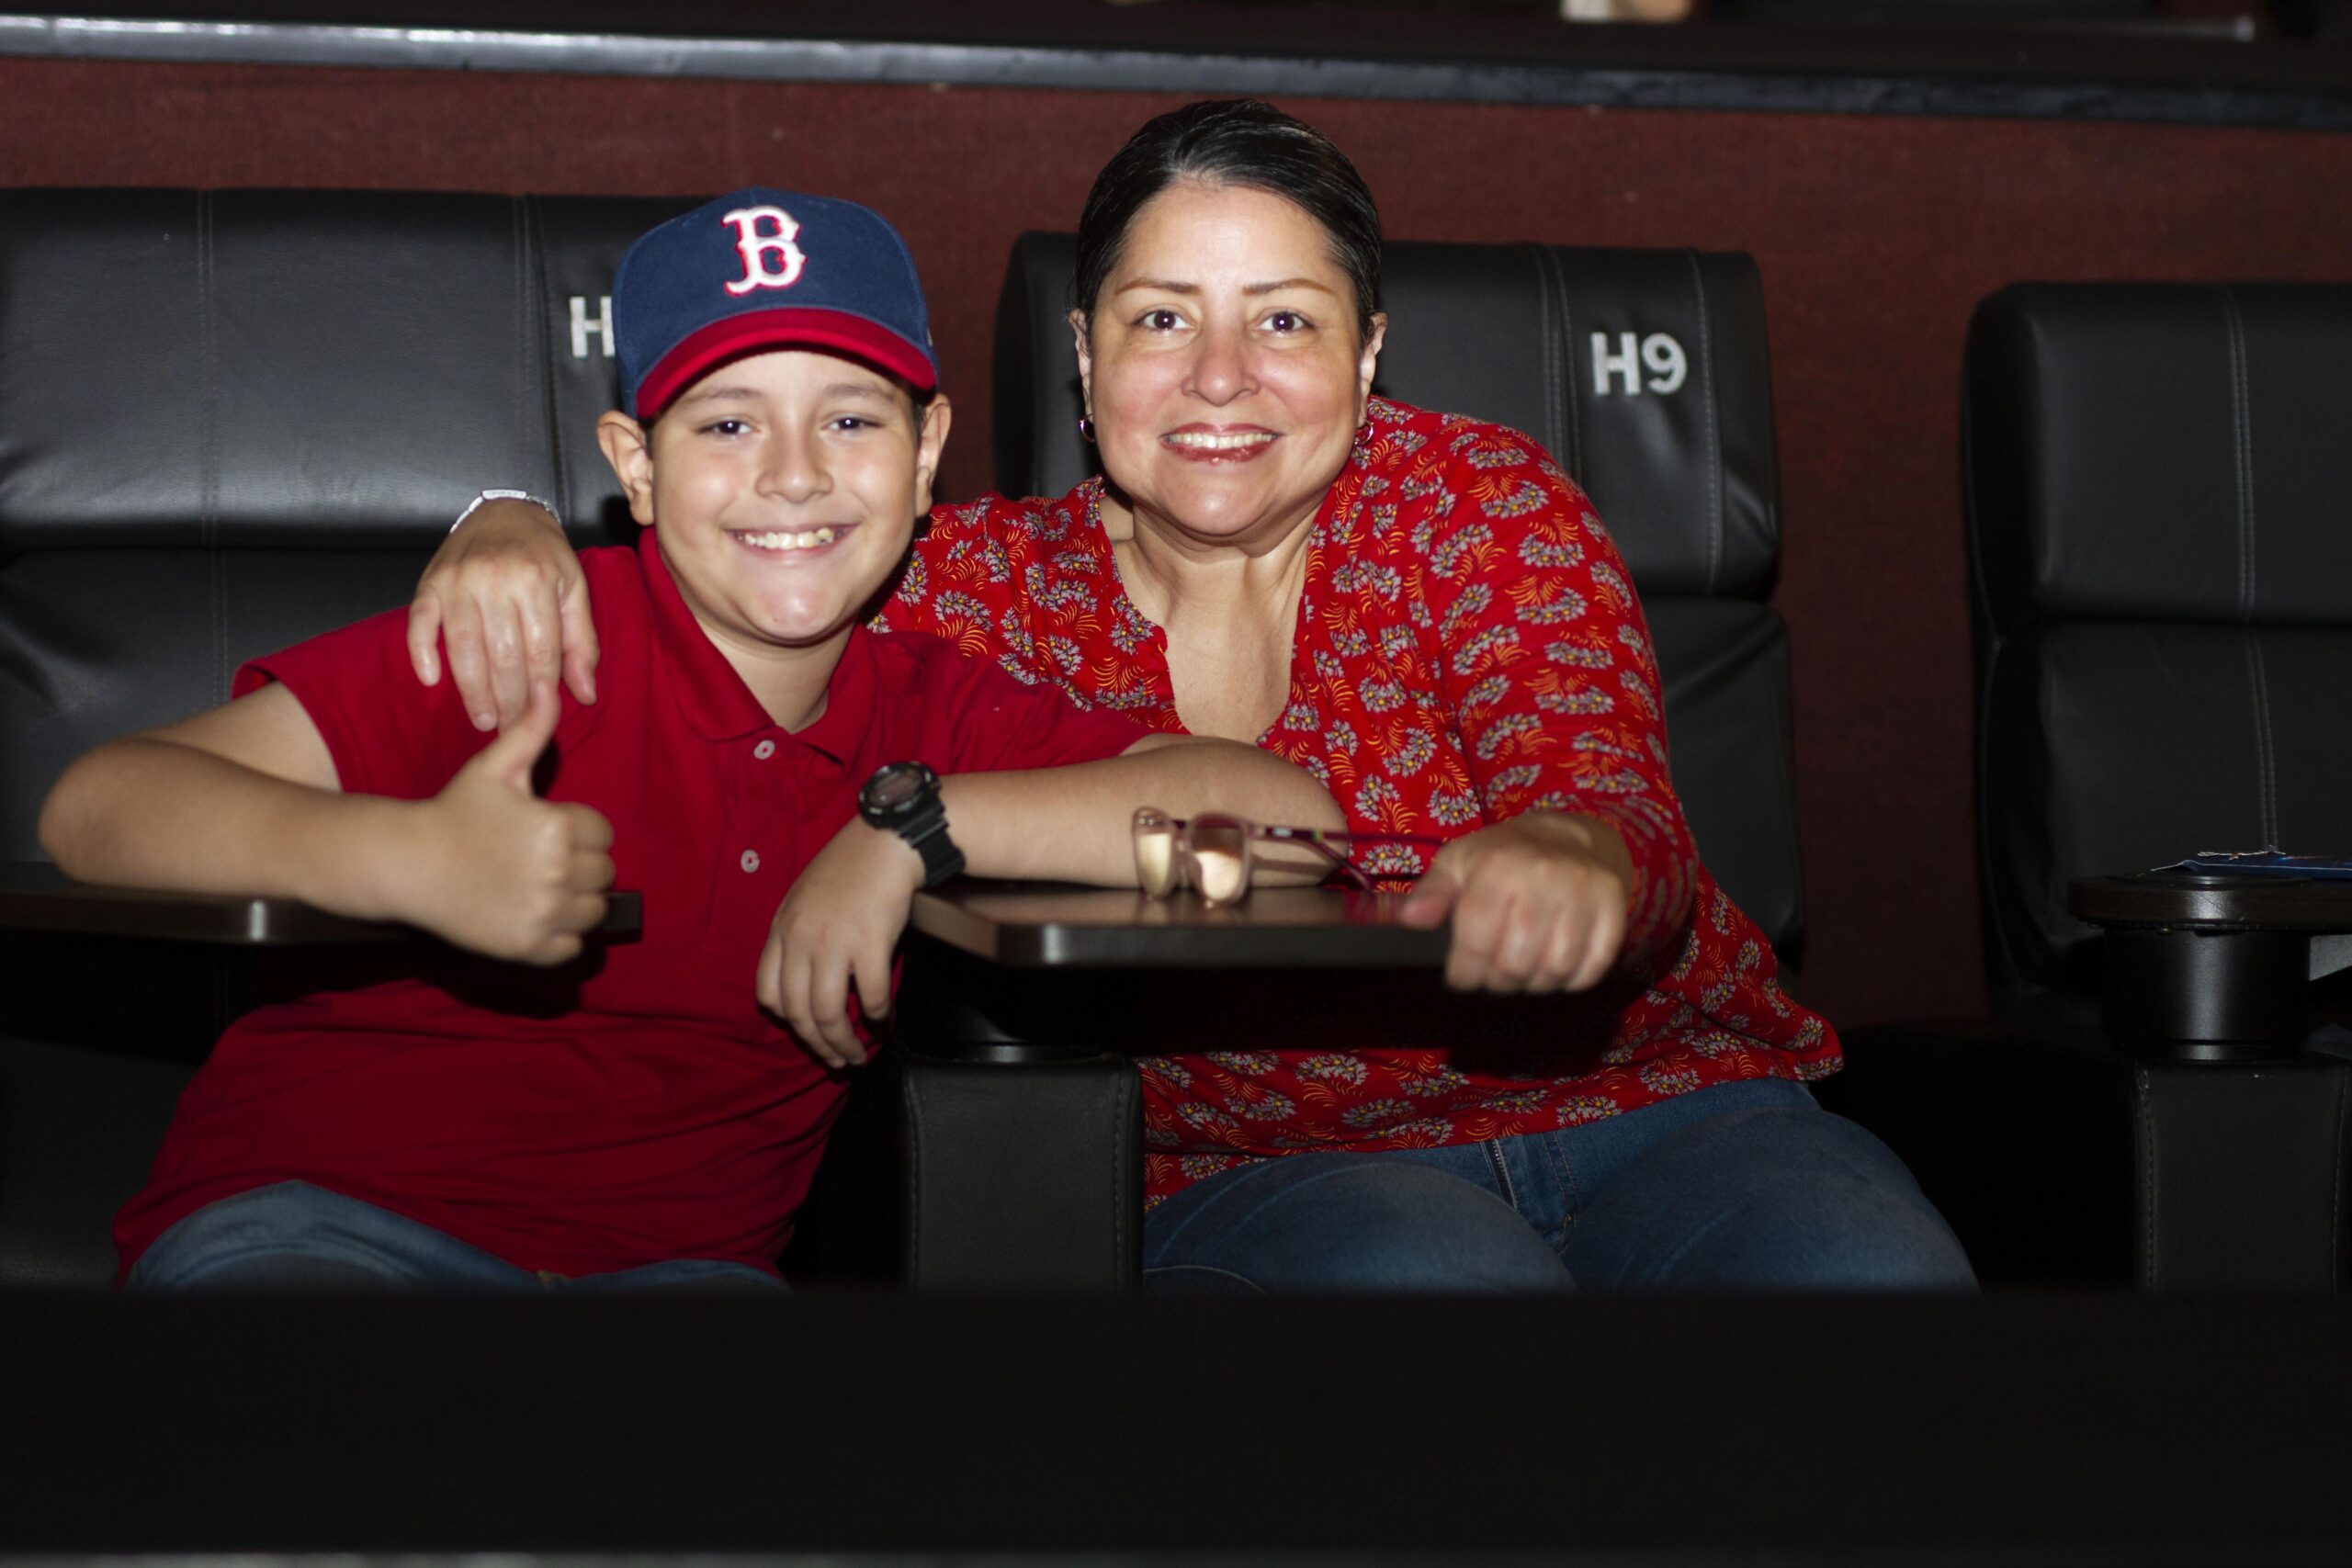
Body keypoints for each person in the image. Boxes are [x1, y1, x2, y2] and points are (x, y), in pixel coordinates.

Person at [410, 104, 1976, 1293]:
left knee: (1873, 1276)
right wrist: (510, 515)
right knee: (1442, 1293)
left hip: (1664, 1106)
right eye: (1162, 319)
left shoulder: (1475, 502)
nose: (1220, 377)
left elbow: (1599, 785)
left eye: (1284, 321)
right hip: (1260, 1166)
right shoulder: (964, 586)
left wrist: (1571, 851)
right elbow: (721, 558)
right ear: (1084, 356)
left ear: (1369, 353)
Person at [38, 185, 1339, 1293]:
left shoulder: (936, 707)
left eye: (850, 419)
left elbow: (1292, 831)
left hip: (679, 1281)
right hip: (321, 1228)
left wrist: (916, 830)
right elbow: (101, 803)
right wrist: (405, 859)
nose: (793, 473)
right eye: (726, 424)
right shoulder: (525, 638)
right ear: (636, 464)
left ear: (926, 452)